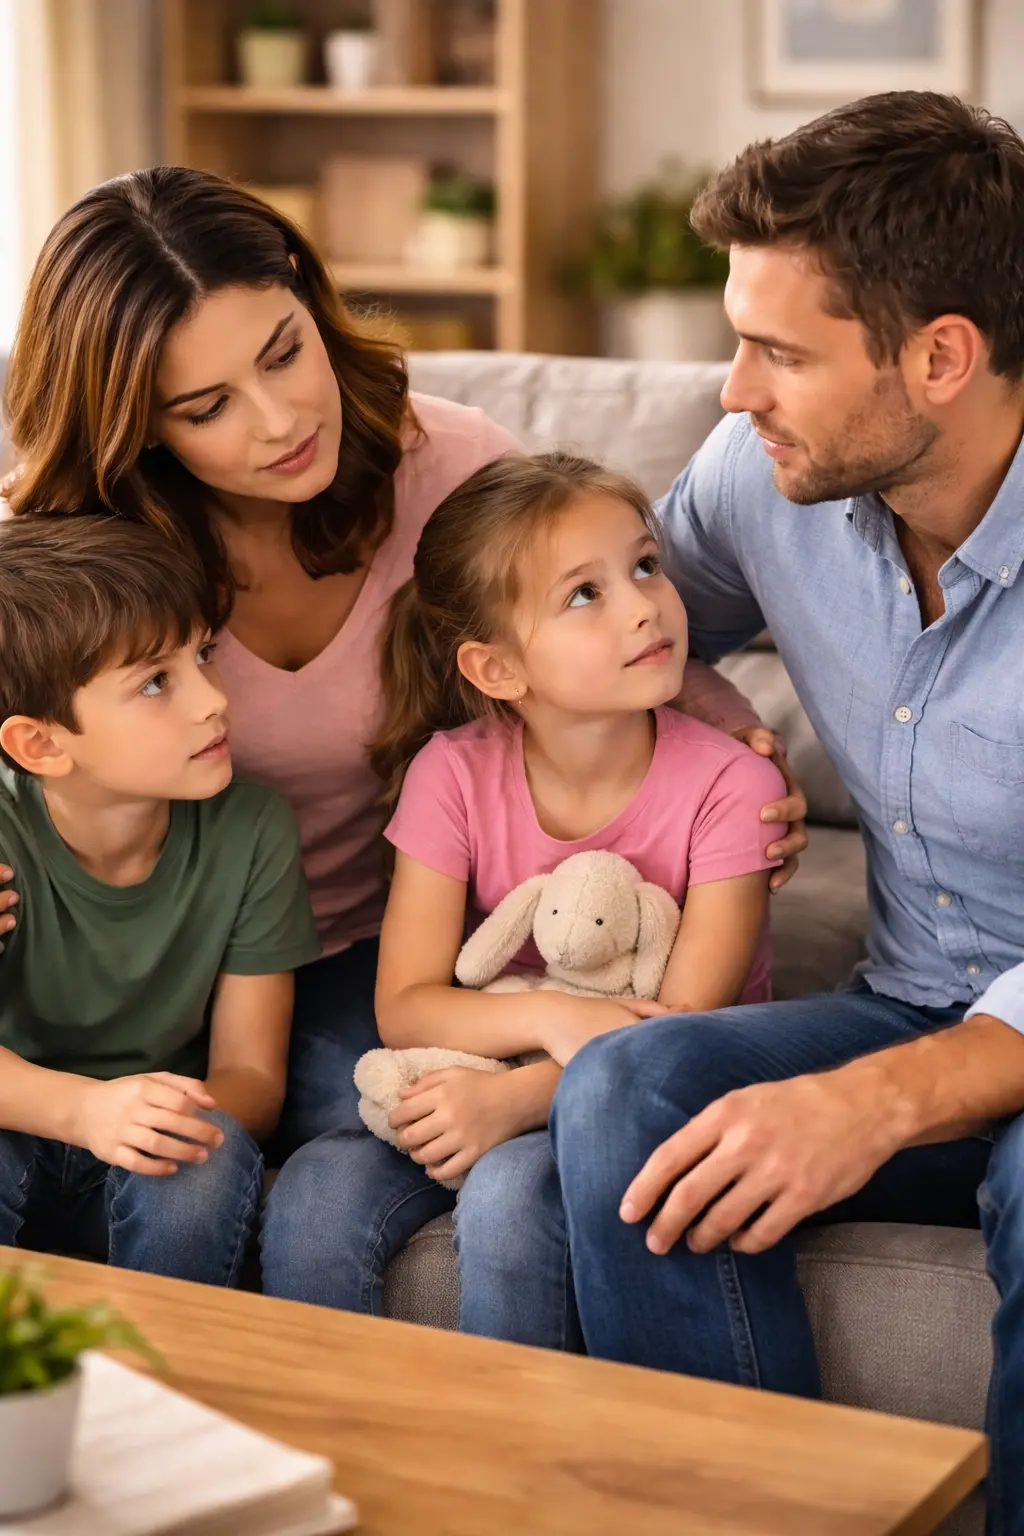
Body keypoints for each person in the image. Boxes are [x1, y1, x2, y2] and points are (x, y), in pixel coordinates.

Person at [0, 167, 805, 1193]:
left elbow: (604, 629)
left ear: (305, 292)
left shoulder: (456, 470)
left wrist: (738, 741)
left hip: (374, 949)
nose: (280, 419)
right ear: (137, 426)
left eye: (284, 353)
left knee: (349, 1167)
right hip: (128, 957)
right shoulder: (67, 550)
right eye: (207, 408)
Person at [547, 91, 1024, 1532]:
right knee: (628, 1093)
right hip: (908, 991)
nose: (730, 389)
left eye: (779, 352)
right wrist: (695, 704)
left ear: (941, 357)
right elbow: (584, 629)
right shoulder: (765, 483)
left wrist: (875, 1103)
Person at [262, 450, 786, 1343]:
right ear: (497, 670)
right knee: (313, 1194)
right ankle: (340, 1466)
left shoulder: (734, 786)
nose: (641, 605)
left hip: (652, 1097)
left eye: (645, 566)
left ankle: (512, 1469)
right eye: (585, 594)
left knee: (508, 1201)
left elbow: (680, 1032)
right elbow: (406, 1005)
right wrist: (548, 1020)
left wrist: (514, 1100)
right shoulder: (453, 774)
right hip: (492, 1059)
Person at [0, 514, 318, 1283]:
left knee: (205, 1156)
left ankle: (164, 1392)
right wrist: (85, 1111)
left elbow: (252, 1079)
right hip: (20, 1123)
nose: (213, 700)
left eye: (204, 654)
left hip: (156, 1140)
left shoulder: (251, 827)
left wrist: (157, 1119)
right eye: (155, 682)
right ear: (40, 744)